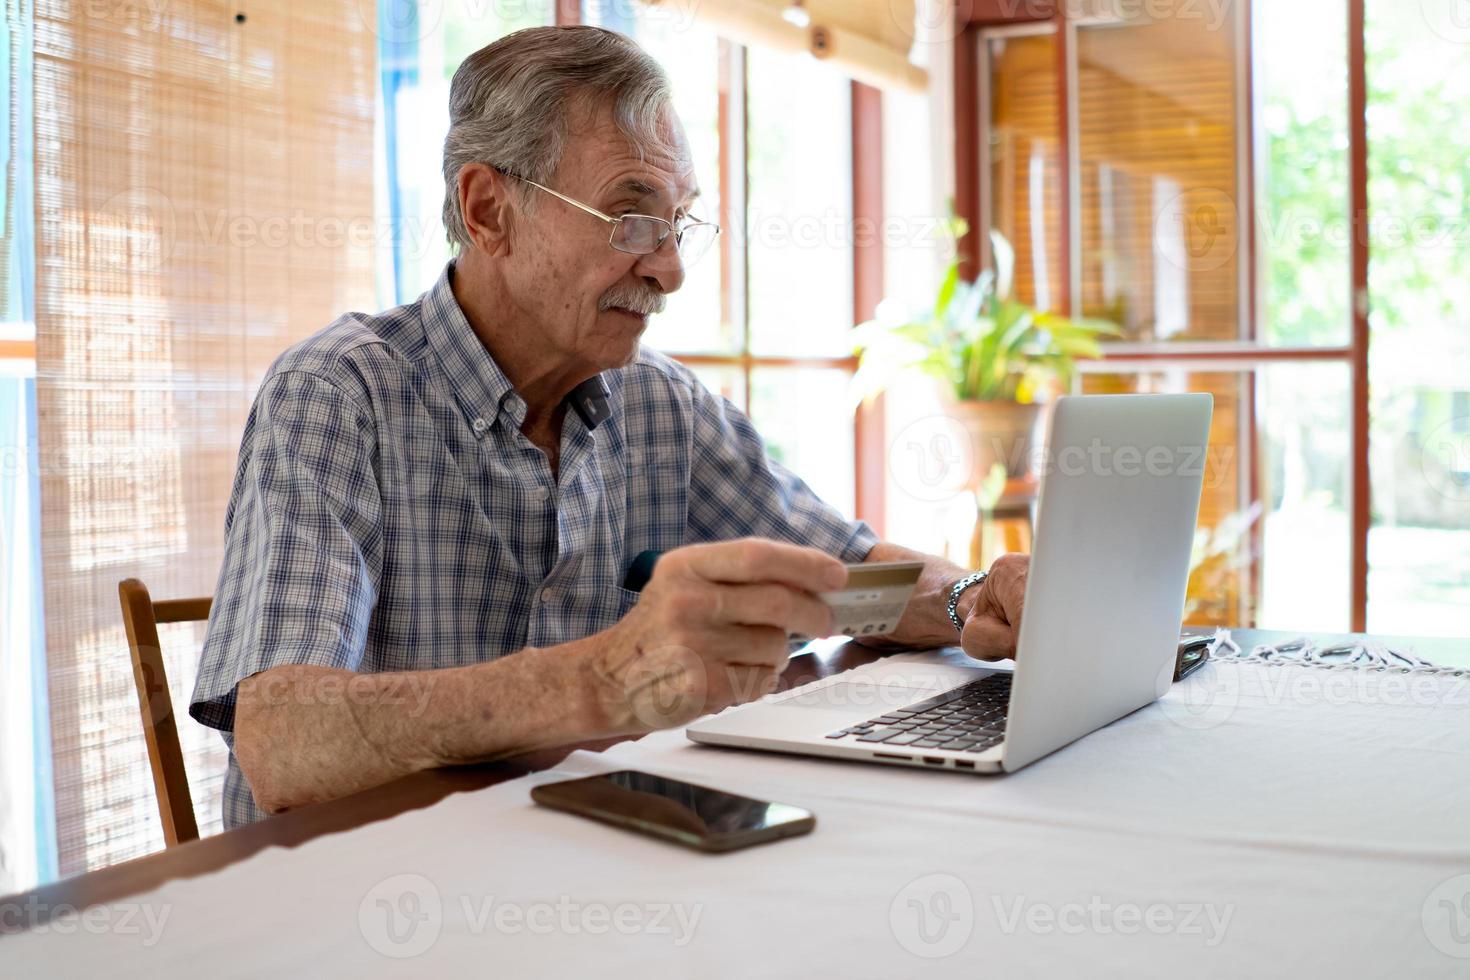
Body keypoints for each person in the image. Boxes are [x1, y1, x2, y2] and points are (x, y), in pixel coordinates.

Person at [191, 25, 1027, 828]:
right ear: (488, 211)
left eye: (678, 220)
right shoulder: (339, 393)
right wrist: (602, 679)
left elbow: (845, 580)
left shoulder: (662, 404)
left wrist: (969, 599)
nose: (669, 268)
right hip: (360, 896)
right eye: (631, 218)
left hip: (578, 856)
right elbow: (282, 743)